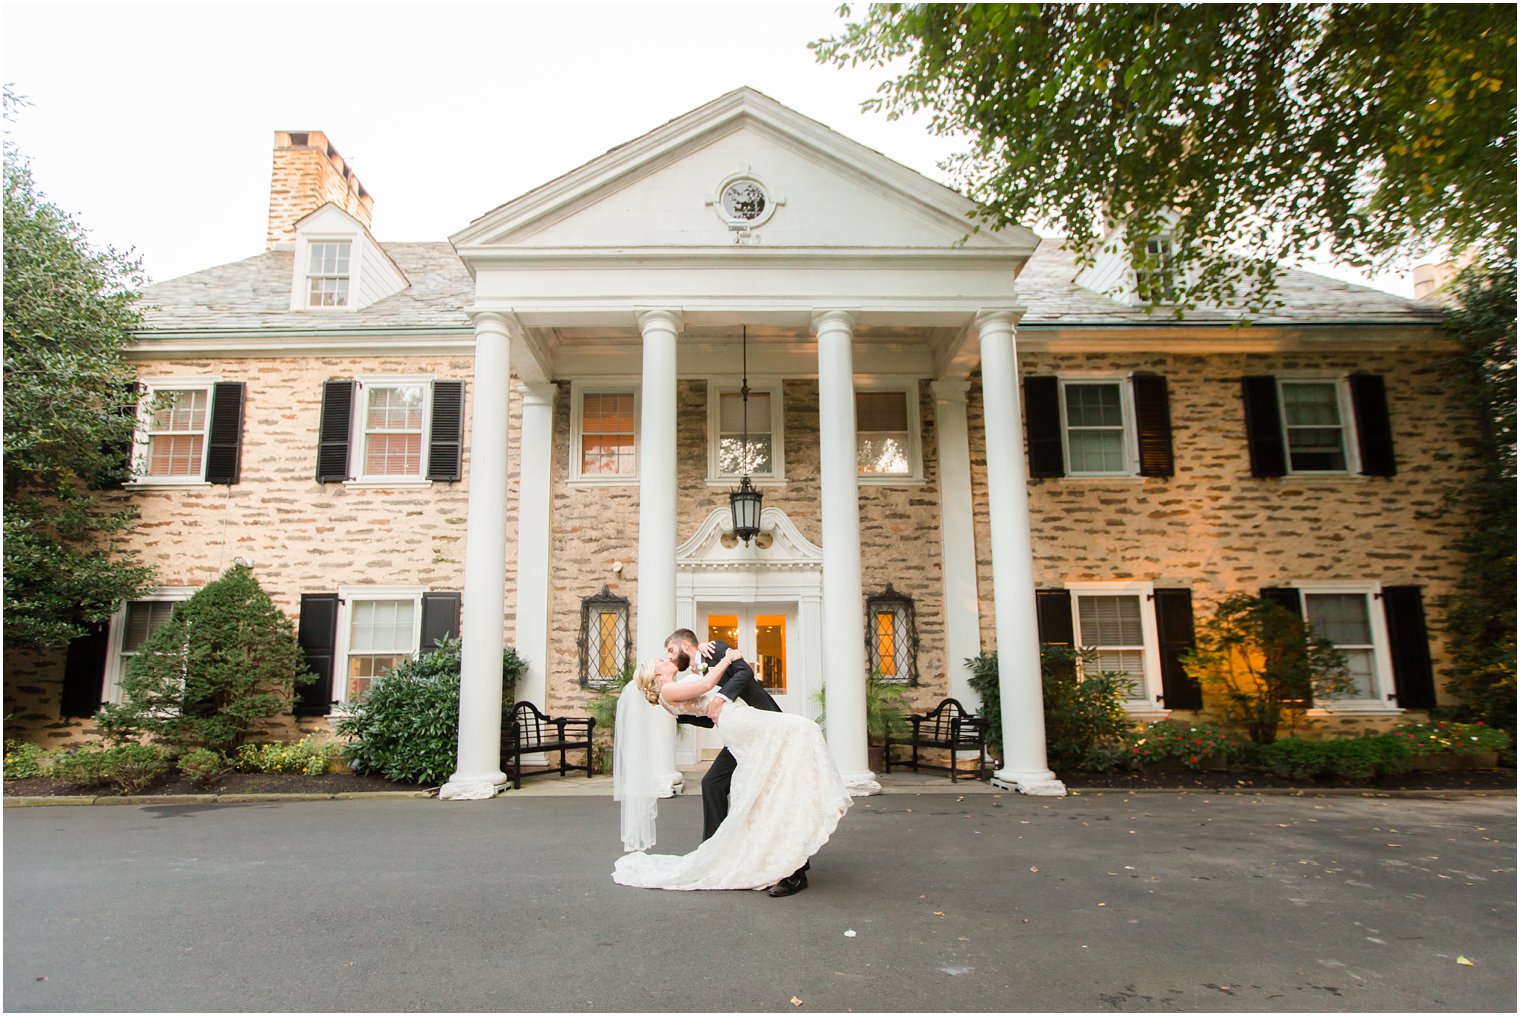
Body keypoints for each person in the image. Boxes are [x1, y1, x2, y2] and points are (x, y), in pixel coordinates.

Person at [611, 653, 852, 893]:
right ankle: (824, 794)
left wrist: (704, 662)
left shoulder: (672, 691)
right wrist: (729, 658)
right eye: (662, 660)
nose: (666, 658)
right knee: (804, 729)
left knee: (770, 778)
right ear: (657, 674)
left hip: (734, 721)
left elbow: (703, 695)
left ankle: (758, 854)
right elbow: (707, 685)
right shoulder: (668, 692)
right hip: (736, 722)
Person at [663, 627, 815, 897]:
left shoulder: (717, 649)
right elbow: (709, 718)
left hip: (765, 726)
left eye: (671, 651)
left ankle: (796, 872)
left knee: (770, 795)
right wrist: (678, 711)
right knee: (713, 784)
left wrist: (721, 697)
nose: (671, 658)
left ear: (686, 643)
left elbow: (746, 674)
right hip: (741, 735)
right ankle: (714, 855)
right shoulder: (694, 674)